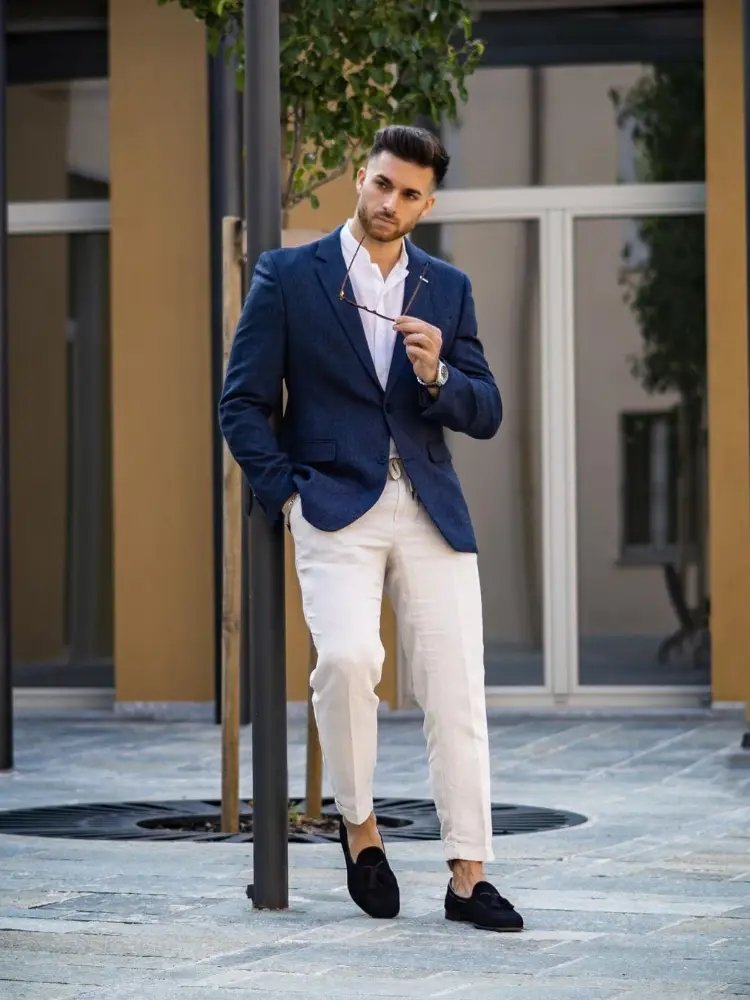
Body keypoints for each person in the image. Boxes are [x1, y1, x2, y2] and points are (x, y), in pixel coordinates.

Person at [219, 124, 523, 932]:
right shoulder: (287, 276)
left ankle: (468, 876)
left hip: (428, 508)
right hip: (331, 503)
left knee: (456, 687)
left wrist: (438, 374)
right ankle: (361, 832)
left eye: (409, 193)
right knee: (350, 662)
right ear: (361, 177)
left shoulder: (446, 288)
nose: (391, 203)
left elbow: (486, 409)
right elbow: (242, 403)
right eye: (382, 184)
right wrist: (286, 493)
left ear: (428, 203)